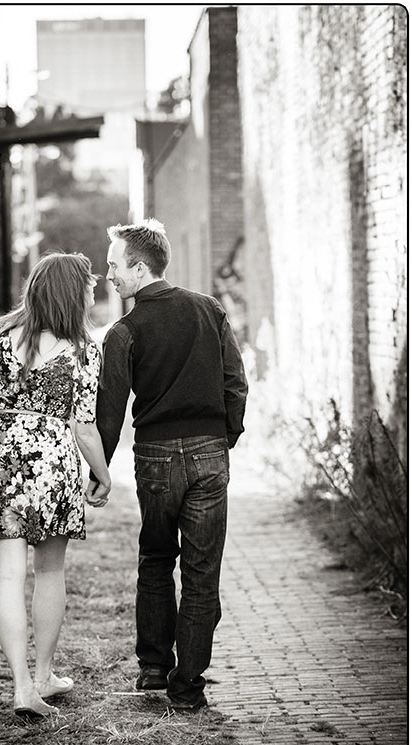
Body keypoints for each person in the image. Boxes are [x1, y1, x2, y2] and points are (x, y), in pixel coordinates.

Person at [86, 219, 248, 712]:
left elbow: (108, 411)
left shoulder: (124, 332)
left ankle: (155, 666)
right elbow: (235, 382)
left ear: (139, 266)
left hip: (156, 458)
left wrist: (99, 472)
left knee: (157, 558)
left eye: (115, 265)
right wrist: (225, 437)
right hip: (208, 454)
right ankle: (187, 686)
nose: (109, 275)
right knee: (202, 572)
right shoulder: (209, 310)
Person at [0, 253, 111, 721]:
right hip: (53, 466)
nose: (92, 292)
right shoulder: (85, 350)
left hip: (2, 457)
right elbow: (83, 427)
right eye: (87, 286)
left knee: (7, 577)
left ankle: (23, 686)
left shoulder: (6, 341)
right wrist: (103, 475)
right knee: (48, 573)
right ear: (70, 293)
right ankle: (43, 675)